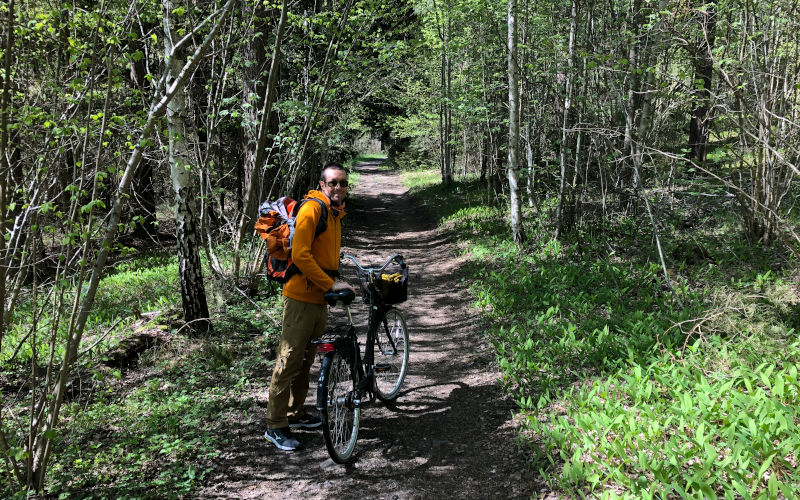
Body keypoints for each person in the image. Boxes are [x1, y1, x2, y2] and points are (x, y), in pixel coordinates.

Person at [264, 163, 355, 451]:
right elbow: (301, 255)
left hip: (318, 299)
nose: (338, 188)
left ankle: (296, 413)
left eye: (342, 183)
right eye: (333, 183)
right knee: (289, 359)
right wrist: (330, 284)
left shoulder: (334, 212)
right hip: (301, 296)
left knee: (306, 360)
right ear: (322, 184)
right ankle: (275, 425)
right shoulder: (313, 209)